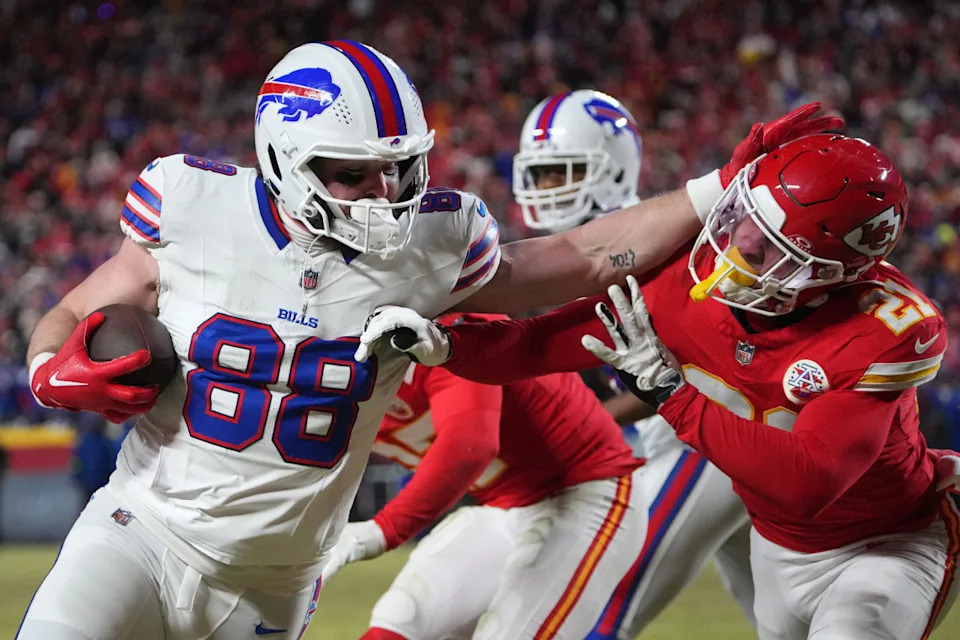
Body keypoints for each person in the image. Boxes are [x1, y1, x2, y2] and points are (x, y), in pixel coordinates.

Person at [18, 33, 834, 635]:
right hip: (142, 532)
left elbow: (582, 255)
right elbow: (69, 314)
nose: (385, 193)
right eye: (352, 173)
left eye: (400, 167)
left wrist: (719, 186)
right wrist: (47, 365)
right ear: (281, 157)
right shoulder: (190, 207)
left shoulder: (434, 247)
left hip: (276, 583)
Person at [358, 133, 960, 638]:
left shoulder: (881, 330)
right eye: (739, 221)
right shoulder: (685, 286)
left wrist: (672, 394)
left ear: (829, 275)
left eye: (765, 248)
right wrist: (449, 347)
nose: (732, 249)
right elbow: (539, 343)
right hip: (778, 547)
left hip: (890, 539)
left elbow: (808, 482)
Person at [512, 88, 755, 636]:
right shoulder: (584, 250)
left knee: (600, 606)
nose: (548, 189)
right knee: (783, 619)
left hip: (710, 433)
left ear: (611, 166)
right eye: (542, 174)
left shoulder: (647, 244)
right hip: (706, 436)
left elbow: (681, 373)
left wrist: (588, 423)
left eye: (563, 171)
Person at [322, 311, 646, 640]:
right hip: (502, 508)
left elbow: (470, 443)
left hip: (588, 491)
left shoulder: (438, 332)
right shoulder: (320, 370)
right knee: (400, 621)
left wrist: (379, 531)